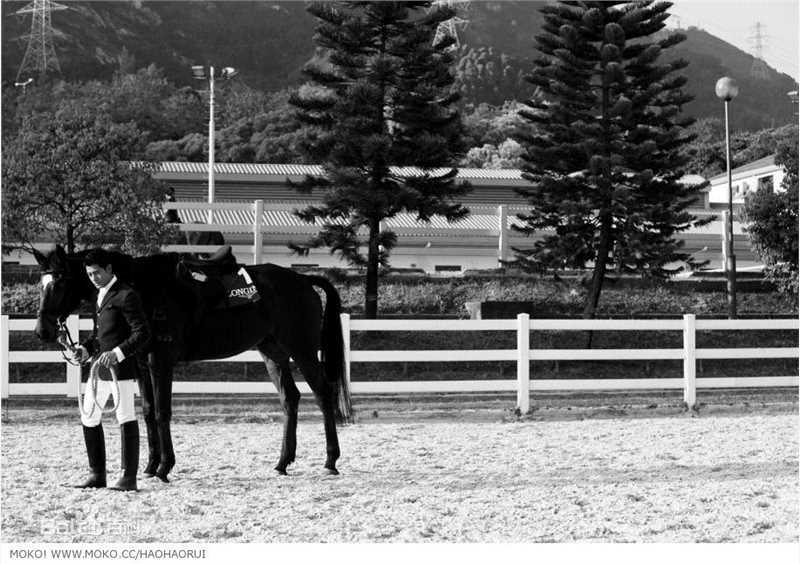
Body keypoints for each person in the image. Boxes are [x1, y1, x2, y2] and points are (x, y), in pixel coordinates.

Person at [69, 248, 151, 491]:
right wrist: (85, 348)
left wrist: (117, 353)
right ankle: (97, 474)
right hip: (99, 369)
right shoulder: (101, 295)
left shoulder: (127, 295)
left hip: (121, 371)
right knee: (89, 417)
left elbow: (142, 332)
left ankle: (128, 477)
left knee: (125, 417)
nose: (93, 277)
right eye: (89, 274)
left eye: (96, 273)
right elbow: (101, 335)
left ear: (109, 269)